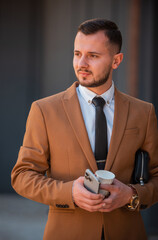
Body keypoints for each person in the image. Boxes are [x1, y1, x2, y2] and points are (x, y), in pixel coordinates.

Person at [11, 19, 158, 240]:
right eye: (77, 53)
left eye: (93, 55)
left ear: (116, 60)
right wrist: (69, 192)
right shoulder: (44, 110)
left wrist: (131, 194)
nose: (81, 63)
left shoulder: (143, 112)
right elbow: (22, 176)